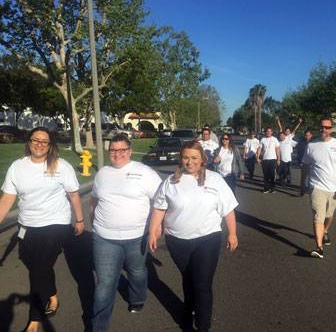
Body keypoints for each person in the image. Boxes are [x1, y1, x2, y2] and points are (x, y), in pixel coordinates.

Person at [0, 127, 84, 332]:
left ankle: (35, 318)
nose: (39, 144)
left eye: (44, 141)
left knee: (38, 269)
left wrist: (80, 220)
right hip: (27, 225)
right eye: (35, 140)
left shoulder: (61, 166)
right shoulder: (17, 167)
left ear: (50, 145)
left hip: (56, 224)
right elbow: (7, 199)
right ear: (29, 142)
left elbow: (73, 195)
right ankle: (51, 291)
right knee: (33, 263)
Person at [148, 141, 238, 332]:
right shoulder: (171, 181)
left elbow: (228, 209)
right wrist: (153, 231)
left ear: (203, 160)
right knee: (188, 279)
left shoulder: (215, 180)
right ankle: (187, 313)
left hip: (208, 239)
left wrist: (233, 233)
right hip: (177, 241)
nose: (190, 162)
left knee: (202, 284)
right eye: (186, 157)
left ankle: (203, 325)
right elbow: (159, 208)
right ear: (181, 159)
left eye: (194, 158)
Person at [90, 134, 162, 332]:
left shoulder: (145, 173)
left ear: (129, 151)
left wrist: (157, 226)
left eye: (122, 150)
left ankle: (137, 298)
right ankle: (98, 327)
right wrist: (92, 219)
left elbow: (161, 201)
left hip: (137, 236)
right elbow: (94, 200)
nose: (117, 154)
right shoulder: (102, 173)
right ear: (108, 152)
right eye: (113, 150)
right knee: (104, 283)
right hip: (104, 237)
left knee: (137, 272)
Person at [301, 118, 336, 259]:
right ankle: (319, 248)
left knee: (328, 215)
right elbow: (306, 165)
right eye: (322, 127)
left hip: (334, 188)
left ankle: (325, 230)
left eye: (327, 127)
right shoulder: (311, 145)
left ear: (331, 129)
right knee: (318, 216)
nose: (324, 129)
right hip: (316, 186)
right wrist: (303, 182)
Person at [275, 115, 304, 184]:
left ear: (289, 132)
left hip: (288, 157)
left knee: (288, 170)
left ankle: (288, 179)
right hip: (281, 157)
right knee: (281, 169)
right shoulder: (282, 136)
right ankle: (282, 179)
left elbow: (295, 129)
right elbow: (280, 128)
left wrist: (299, 123)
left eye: (288, 131)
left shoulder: (290, 136)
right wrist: (277, 120)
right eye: (286, 131)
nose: (287, 132)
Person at [256, 126, 280, 194]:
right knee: (265, 175)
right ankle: (266, 188)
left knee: (272, 174)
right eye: (267, 131)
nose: (268, 132)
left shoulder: (275, 139)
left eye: (270, 131)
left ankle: (273, 188)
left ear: (272, 132)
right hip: (265, 159)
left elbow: (277, 149)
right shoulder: (263, 139)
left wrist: (278, 159)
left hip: (273, 159)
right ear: (265, 132)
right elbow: (259, 149)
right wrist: (257, 157)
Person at [298, 129, 313, 195]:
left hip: (312, 163)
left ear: (311, 135)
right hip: (304, 163)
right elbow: (299, 153)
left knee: (311, 178)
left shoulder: (314, 143)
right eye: (306, 135)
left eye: (308, 135)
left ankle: (310, 190)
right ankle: (302, 191)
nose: (307, 136)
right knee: (303, 178)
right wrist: (300, 162)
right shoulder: (302, 143)